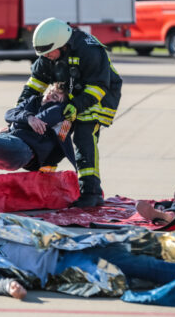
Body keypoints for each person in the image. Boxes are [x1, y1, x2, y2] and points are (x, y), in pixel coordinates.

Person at [18, 18, 122, 207]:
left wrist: (76, 106)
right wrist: (21, 112)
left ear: (62, 44)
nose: (47, 56)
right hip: (71, 99)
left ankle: (91, 193)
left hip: (99, 97)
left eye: (49, 53)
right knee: (56, 137)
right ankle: (44, 187)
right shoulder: (48, 55)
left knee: (83, 137)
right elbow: (34, 85)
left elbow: (98, 87)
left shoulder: (89, 49)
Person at [0, 236, 175, 298]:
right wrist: (10, 287)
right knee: (117, 279)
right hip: (62, 263)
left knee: (139, 263)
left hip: (69, 241)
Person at [0, 82, 75, 172]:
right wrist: (28, 118)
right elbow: (9, 114)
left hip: (21, 150)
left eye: (54, 97)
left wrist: (16, 123)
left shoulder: (59, 110)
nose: (48, 96)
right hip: (13, 148)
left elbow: (39, 120)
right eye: (50, 91)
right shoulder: (33, 100)